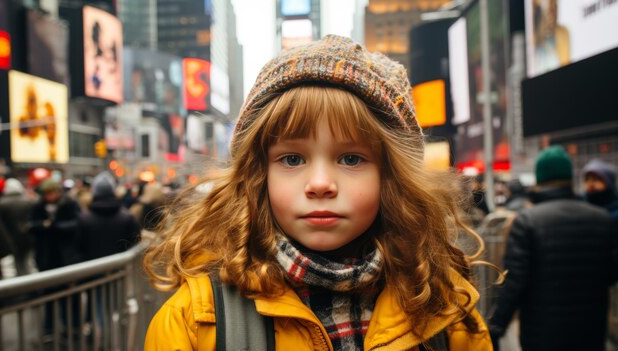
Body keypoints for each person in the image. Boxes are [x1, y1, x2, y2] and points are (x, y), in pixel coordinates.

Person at [144, 35, 494, 350]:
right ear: (257, 175)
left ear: (392, 176)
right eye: (292, 159)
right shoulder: (195, 320)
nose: (320, 183)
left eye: (351, 158)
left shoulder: (445, 312)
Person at [488, 146, 616, 351]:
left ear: (540, 179)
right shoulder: (602, 219)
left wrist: (496, 326)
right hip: (590, 330)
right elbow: (610, 274)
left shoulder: (527, 222)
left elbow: (515, 283)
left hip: (543, 334)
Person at [77, 171, 140, 261]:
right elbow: (135, 244)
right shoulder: (127, 217)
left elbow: (78, 248)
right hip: (121, 270)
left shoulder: (83, 218)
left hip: (91, 270)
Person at [28, 179, 81, 271]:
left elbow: (77, 222)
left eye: (51, 193)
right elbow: (31, 224)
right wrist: (43, 225)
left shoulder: (69, 203)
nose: (50, 196)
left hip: (65, 250)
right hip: (45, 251)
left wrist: (57, 226)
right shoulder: (38, 206)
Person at [0, 178, 37, 276]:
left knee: (18, 262)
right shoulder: (28, 200)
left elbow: (0, 224)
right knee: (28, 261)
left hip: (11, 237)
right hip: (28, 235)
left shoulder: (1, 203)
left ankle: (22, 283)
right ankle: (28, 282)